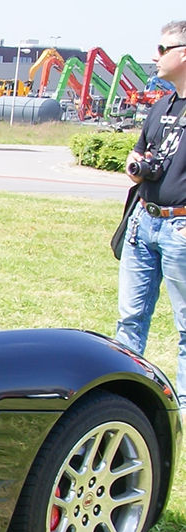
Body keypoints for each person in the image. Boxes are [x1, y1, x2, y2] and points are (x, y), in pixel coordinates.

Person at [117, 20, 186, 394]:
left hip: (180, 229)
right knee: (130, 319)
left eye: (162, 50)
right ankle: (126, 392)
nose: (154, 57)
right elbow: (138, 154)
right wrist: (135, 166)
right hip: (143, 223)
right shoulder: (161, 106)